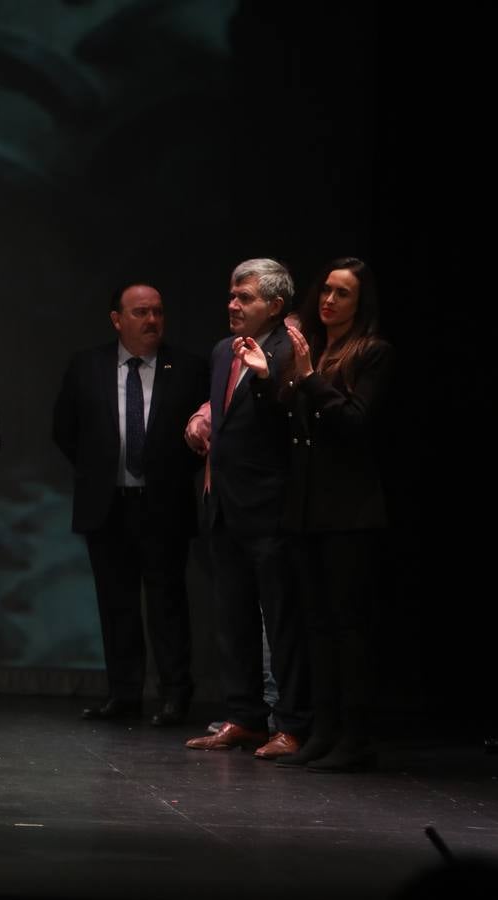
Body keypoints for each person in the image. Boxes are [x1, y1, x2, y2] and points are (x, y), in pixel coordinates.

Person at [53, 283, 207, 727]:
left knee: (168, 604)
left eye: (158, 312)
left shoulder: (189, 368)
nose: (151, 320)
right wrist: (100, 470)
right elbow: (64, 429)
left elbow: (201, 440)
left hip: (163, 504)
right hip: (108, 504)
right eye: (140, 312)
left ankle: (176, 695)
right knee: (115, 604)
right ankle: (124, 695)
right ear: (117, 319)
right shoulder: (87, 366)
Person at [268, 257, 393, 772]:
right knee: (315, 624)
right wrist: (274, 379)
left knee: (347, 627)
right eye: (326, 290)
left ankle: (355, 736)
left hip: (349, 511)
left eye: (342, 293)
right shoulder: (311, 349)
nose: (329, 300)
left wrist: (310, 379)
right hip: (305, 509)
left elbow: (357, 422)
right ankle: (322, 730)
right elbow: (285, 418)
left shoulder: (373, 353)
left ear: (359, 304)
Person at [183, 258, 310, 760]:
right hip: (224, 507)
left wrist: (262, 380)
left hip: (271, 511)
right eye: (232, 296)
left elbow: (292, 423)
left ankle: (294, 724)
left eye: (246, 298)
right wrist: (200, 420)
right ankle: (245, 718)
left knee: (282, 623)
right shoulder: (222, 350)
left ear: (275, 307)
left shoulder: (289, 349)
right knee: (232, 619)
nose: (233, 305)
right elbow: (226, 418)